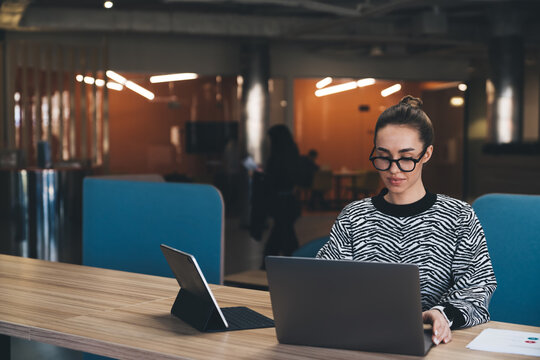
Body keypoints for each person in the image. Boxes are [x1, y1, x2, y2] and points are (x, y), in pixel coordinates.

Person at [316, 95, 497, 346]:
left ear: (427, 154)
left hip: (435, 345)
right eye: (383, 156)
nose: (393, 169)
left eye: (406, 157)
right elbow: (325, 280)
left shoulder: (458, 216)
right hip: (361, 339)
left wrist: (443, 313)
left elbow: (478, 286)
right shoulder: (354, 216)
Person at [262, 124, 301, 261]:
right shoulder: (292, 152)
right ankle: (293, 261)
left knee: (282, 234)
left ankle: (269, 263)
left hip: (280, 202)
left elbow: (273, 178)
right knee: (284, 234)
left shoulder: (277, 157)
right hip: (290, 200)